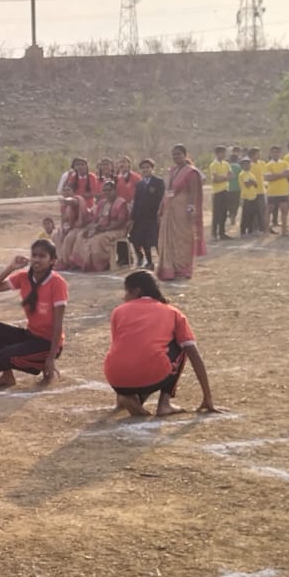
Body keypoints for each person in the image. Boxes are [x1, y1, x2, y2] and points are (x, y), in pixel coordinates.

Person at [103, 270, 219, 417]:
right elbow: (194, 355)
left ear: (137, 291)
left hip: (115, 377)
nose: (124, 296)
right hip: (150, 373)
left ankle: (127, 397)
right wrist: (207, 397)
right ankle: (164, 403)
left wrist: (120, 389)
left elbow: (121, 346)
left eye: (127, 292)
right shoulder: (172, 312)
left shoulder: (118, 311)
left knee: (132, 350)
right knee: (183, 347)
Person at [0, 240, 67, 388]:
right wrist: (11, 267)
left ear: (52, 260)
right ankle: (7, 377)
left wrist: (51, 358)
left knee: (5, 355)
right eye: (34, 255)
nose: (37, 259)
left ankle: (42, 365)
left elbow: (58, 324)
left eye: (42, 256)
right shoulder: (24, 277)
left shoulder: (57, 282)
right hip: (31, 335)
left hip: (47, 343)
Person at [156, 145, 205, 281]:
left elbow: (194, 193)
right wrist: (161, 207)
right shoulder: (171, 171)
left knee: (183, 239)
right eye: (173, 154)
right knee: (168, 238)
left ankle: (183, 268)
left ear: (185, 155)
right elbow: (167, 191)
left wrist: (190, 210)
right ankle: (169, 269)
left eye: (178, 154)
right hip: (169, 209)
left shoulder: (191, 172)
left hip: (182, 210)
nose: (175, 157)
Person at [71, 180, 130, 272]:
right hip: (101, 228)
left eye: (109, 190)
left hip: (117, 230)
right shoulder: (102, 203)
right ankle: (83, 263)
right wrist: (89, 228)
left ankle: (101, 264)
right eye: (104, 190)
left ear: (115, 190)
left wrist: (105, 229)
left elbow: (121, 221)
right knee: (81, 236)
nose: (106, 192)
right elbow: (95, 219)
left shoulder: (121, 202)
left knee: (98, 240)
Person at [129, 159, 163, 271]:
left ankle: (163, 261)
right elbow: (136, 201)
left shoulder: (158, 182)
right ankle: (149, 262)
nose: (145, 169)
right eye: (143, 168)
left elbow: (162, 199)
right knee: (143, 241)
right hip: (141, 217)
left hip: (154, 217)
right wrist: (133, 217)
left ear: (152, 168)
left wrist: (160, 213)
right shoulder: (139, 184)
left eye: (147, 167)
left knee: (156, 240)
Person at [262, 144, 289, 234]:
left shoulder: (285, 163)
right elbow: (267, 178)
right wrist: (281, 174)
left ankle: (284, 230)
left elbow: (287, 174)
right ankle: (266, 230)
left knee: (284, 211)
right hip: (272, 192)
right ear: (270, 153)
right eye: (274, 152)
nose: (276, 154)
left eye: (277, 152)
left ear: (280, 153)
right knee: (268, 211)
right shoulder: (267, 165)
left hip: (283, 191)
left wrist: (275, 175)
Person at [208, 146, 232, 240]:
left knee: (224, 213)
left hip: (226, 190)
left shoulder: (226, 163)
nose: (224, 154)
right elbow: (216, 179)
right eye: (222, 153)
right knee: (216, 214)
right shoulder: (213, 164)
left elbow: (231, 175)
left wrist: (222, 177)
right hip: (217, 192)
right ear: (217, 153)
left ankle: (222, 233)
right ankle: (214, 234)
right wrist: (225, 177)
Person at [237, 157, 262, 236]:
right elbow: (247, 184)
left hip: (253, 196)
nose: (247, 165)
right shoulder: (242, 173)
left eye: (248, 163)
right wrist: (252, 182)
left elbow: (256, 184)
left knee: (253, 214)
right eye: (245, 164)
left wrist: (252, 182)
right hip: (245, 197)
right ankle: (243, 231)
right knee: (245, 215)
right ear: (242, 165)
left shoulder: (251, 174)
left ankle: (250, 230)